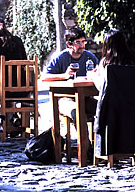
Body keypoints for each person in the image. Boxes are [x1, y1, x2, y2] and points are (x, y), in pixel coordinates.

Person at [42, 26, 99, 154]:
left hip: (85, 97)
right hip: (64, 99)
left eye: (83, 42)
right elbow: (44, 78)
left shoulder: (89, 57)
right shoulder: (60, 58)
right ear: (69, 44)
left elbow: (101, 71)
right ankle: (86, 149)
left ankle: (103, 146)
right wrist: (64, 76)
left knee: (104, 107)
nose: (82, 45)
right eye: (78, 42)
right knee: (76, 111)